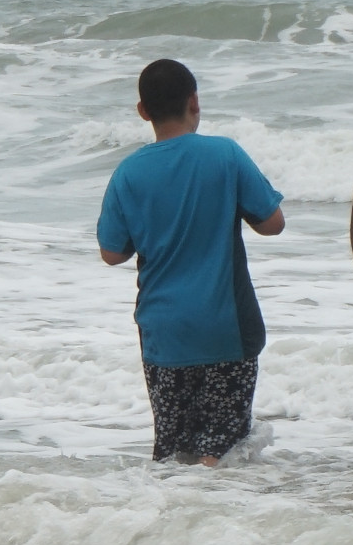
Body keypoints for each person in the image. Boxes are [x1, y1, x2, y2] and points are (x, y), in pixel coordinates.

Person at [98, 59, 286, 466]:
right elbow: (273, 224)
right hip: (226, 328)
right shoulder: (225, 154)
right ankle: (211, 521)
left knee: (172, 453)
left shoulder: (128, 173)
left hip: (163, 332)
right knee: (221, 452)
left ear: (143, 111)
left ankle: (173, 522)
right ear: (194, 102)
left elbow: (112, 253)